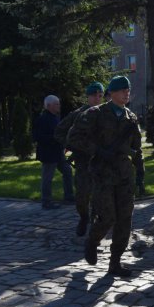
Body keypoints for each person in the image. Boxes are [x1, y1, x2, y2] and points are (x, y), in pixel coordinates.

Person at [68, 76, 144, 277]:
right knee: (107, 217)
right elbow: (73, 138)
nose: (126, 93)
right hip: (102, 174)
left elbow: (137, 146)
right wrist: (98, 151)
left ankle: (115, 262)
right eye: (121, 90)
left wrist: (140, 169)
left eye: (128, 90)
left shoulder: (131, 117)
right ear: (111, 93)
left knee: (125, 219)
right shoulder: (95, 113)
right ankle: (92, 241)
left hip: (124, 174)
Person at [54, 82, 105, 234]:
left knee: (100, 193)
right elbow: (59, 132)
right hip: (83, 161)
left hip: (102, 161)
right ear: (88, 96)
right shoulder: (78, 114)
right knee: (82, 195)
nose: (97, 98)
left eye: (100, 95)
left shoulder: (105, 114)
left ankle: (95, 217)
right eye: (94, 95)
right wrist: (71, 145)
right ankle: (84, 217)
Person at [33, 95, 74, 210]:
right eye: (56, 104)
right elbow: (38, 137)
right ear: (49, 106)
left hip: (58, 152)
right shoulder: (42, 119)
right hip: (48, 153)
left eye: (58, 103)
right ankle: (46, 201)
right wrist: (55, 138)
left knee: (67, 171)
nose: (59, 106)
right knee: (47, 178)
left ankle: (69, 196)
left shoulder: (55, 117)